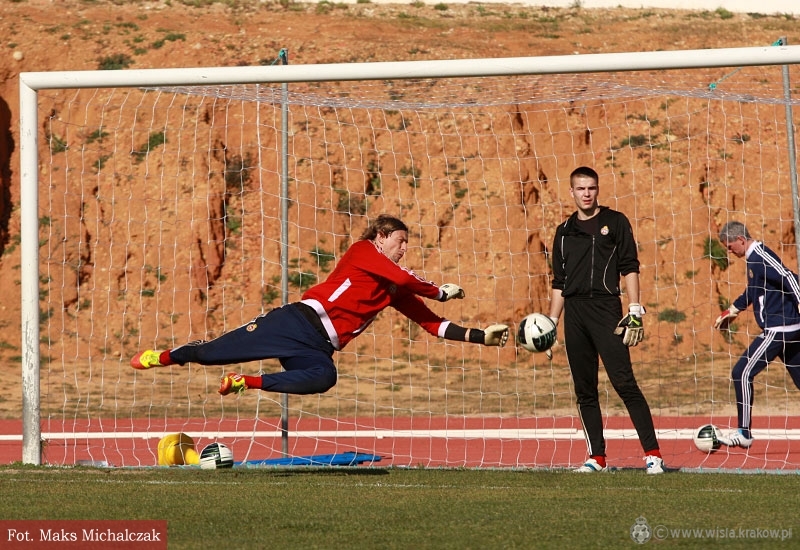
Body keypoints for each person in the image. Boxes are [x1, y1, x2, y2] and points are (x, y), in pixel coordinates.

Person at [130, 214, 510, 396]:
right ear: (380, 238)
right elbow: (407, 279)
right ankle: (163, 357)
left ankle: (246, 382)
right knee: (210, 354)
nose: (405, 248)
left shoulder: (395, 287)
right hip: (296, 322)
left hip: (318, 346)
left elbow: (432, 324)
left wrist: (481, 337)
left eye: (407, 243)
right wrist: (439, 291)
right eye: (400, 240)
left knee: (324, 378)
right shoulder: (362, 251)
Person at [547, 166, 664, 474]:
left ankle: (653, 455)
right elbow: (559, 283)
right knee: (585, 389)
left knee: (624, 383)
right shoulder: (563, 232)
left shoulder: (616, 222)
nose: (586, 194)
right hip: (575, 314)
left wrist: (635, 309)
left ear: (597, 190)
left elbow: (629, 267)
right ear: (571, 192)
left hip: (607, 310)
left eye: (591, 188)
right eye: (581, 188)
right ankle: (596, 458)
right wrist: (551, 323)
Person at [713, 221, 800, 448]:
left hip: (779, 329)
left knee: (741, 372)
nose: (729, 251)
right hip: (787, 329)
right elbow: (753, 291)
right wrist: (733, 310)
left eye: (730, 246)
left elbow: (789, 277)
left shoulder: (761, 255)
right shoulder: (753, 259)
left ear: (741, 240)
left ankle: (743, 432)